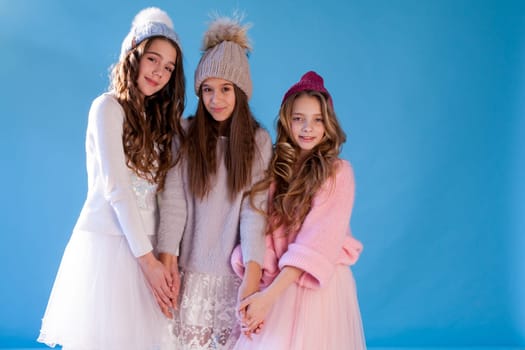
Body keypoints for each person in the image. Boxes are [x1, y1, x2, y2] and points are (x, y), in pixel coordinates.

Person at [37, 7, 186, 350]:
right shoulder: (107, 108)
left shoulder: (159, 123)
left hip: (148, 246)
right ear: (132, 55)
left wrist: (164, 256)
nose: (159, 72)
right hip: (113, 245)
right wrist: (148, 263)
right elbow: (117, 189)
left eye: (168, 67)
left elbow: (166, 195)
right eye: (153, 59)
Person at [156, 15, 272, 350]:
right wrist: (167, 264)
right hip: (187, 272)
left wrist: (252, 276)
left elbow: (254, 211)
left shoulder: (258, 141)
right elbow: (174, 202)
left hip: (233, 276)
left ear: (240, 92)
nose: (215, 99)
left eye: (225, 89)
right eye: (207, 89)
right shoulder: (186, 133)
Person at [231, 71, 367, 350]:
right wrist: (257, 291)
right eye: (299, 119)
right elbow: (264, 230)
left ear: (328, 124)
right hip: (276, 281)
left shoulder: (338, 173)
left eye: (317, 120)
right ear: (286, 120)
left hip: (313, 283)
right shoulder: (274, 169)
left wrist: (269, 298)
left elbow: (317, 240)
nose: (308, 128)